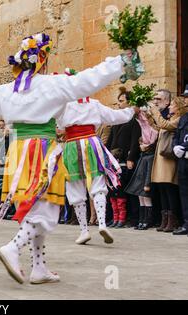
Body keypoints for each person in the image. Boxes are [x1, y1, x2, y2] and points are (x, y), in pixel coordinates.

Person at [0, 32, 137, 284]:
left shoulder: (5, 91)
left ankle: (38, 267)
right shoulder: (51, 85)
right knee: (46, 210)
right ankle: (13, 247)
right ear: (42, 61)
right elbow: (89, 79)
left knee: (36, 208)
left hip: (18, 151)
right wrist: (122, 60)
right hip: (42, 151)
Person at [56, 68, 138, 245]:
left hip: (72, 145)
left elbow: (52, 122)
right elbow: (115, 116)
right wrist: (132, 110)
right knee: (98, 183)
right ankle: (101, 223)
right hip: (92, 142)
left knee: (75, 186)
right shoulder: (93, 104)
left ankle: (84, 230)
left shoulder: (62, 105)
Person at [146, 97, 186, 233]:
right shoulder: (170, 119)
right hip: (161, 159)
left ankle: (172, 219)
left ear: (179, 107)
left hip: (168, 159)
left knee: (169, 189)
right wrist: (149, 116)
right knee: (162, 188)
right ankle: (165, 218)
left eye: (172, 105)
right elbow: (159, 127)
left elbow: (164, 125)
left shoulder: (179, 120)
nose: (169, 107)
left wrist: (155, 110)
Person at [106, 90, 142, 228]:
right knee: (114, 190)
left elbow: (134, 141)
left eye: (121, 101)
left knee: (124, 190)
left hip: (125, 160)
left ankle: (125, 218)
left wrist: (131, 157)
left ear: (129, 103)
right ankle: (115, 218)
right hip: (113, 160)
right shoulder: (117, 121)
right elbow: (110, 141)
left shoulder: (133, 121)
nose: (118, 104)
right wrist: (106, 156)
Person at [172, 89, 188, 236]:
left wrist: (184, 147)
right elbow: (176, 135)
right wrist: (175, 146)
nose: (185, 100)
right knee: (184, 192)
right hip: (183, 159)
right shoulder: (183, 118)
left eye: (187, 97)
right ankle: (186, 223)